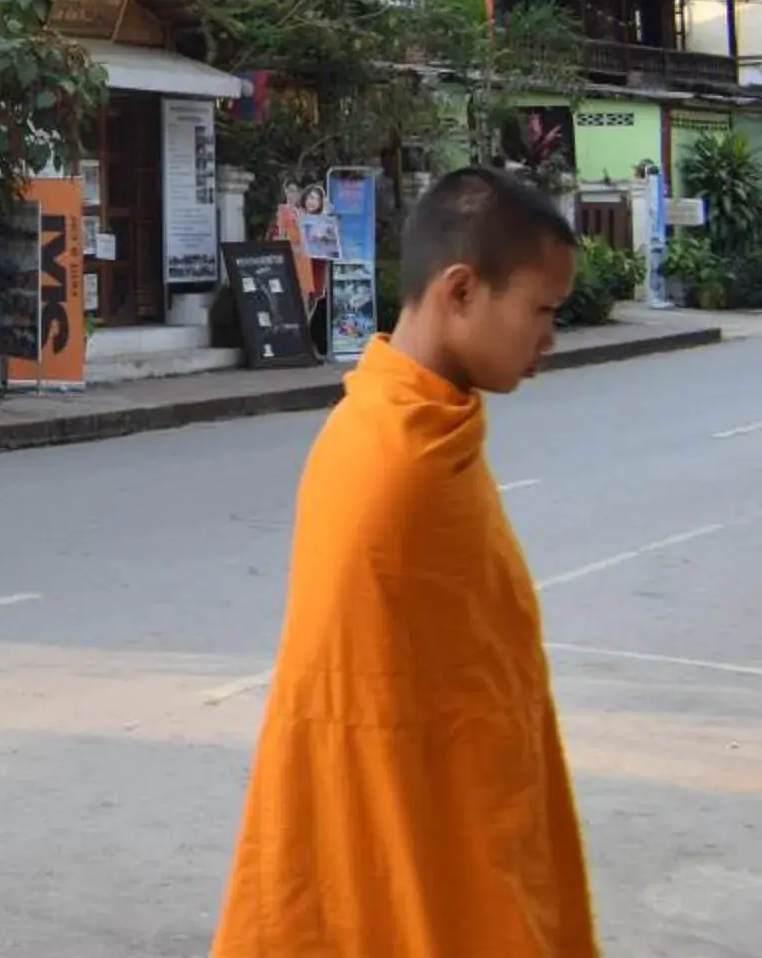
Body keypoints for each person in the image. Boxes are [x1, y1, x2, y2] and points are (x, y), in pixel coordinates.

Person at [212, 166, 594, 956]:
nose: (549, 338)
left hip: (471, 818)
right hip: (425, 857)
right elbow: (373, 732)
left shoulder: (423, 425)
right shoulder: (395, 463)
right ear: (460, 291)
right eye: (542, 311)